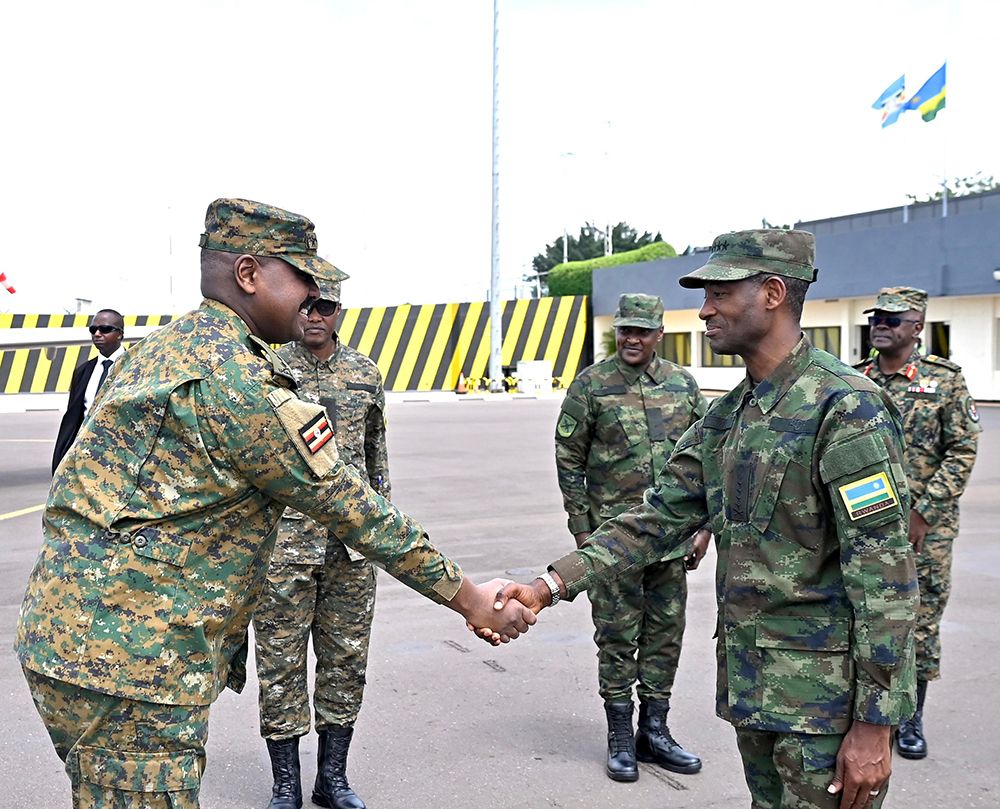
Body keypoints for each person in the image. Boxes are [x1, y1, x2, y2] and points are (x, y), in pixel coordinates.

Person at [15, 198, 534, 809]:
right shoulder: (240, 382)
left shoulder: (155, 351)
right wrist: (470, 597)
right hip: (136, 665)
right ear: (249, 275)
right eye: (302, 276)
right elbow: (349, 504)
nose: (312, 294)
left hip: (67, 639)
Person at [493, 229, 918, 809]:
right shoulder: (727, 418)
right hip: (756, 690)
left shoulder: (845, 407)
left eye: (719, 293)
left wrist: (877, 722)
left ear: (771, 293)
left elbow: (885, 577)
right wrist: (550, 584)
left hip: (827, 710)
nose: (704, 310)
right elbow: (655, 517)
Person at [555, 292, 707, 782]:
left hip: (671, 539)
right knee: (617, 637)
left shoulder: (683, 386)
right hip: (613, 542)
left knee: (665, 635)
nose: (632, 338)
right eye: (625, 329)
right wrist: (582, 528)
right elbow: (569, 459)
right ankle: (620, 734)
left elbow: (708, 458)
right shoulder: (592, 386)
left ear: (659, 334)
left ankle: (654, 731)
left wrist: (704, 526)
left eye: (642, 330)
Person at [253, 276, 389, 809]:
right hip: (285, 547)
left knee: (346, 662)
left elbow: (377, 458)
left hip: (349, 549)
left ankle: (332, 778)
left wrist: (381, 533)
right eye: (306, 305)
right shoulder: (270, 369)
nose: (314, 315)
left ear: (339, 312)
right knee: (280, 664)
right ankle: (285, 783)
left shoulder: (364, 374)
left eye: (324, 306)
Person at [854, 287, 980, 761]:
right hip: (864, 524)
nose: (880, 324)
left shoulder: (943, 382)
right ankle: (866, 712)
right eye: (876, 317)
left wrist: (923, 510)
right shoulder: (856, 379)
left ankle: (909, 718)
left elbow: (963, 449)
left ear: (916, 327)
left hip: (927, 529)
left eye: (892, 318)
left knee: (919, 621)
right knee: (863, 614)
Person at [51, 308, 126, 472]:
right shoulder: (83, 372)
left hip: (122, 458)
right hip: (85, 456)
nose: (97, 334)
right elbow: (74, 417)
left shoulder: (136, 367)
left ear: (120, 334)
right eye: (93, 329)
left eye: (105, 329)